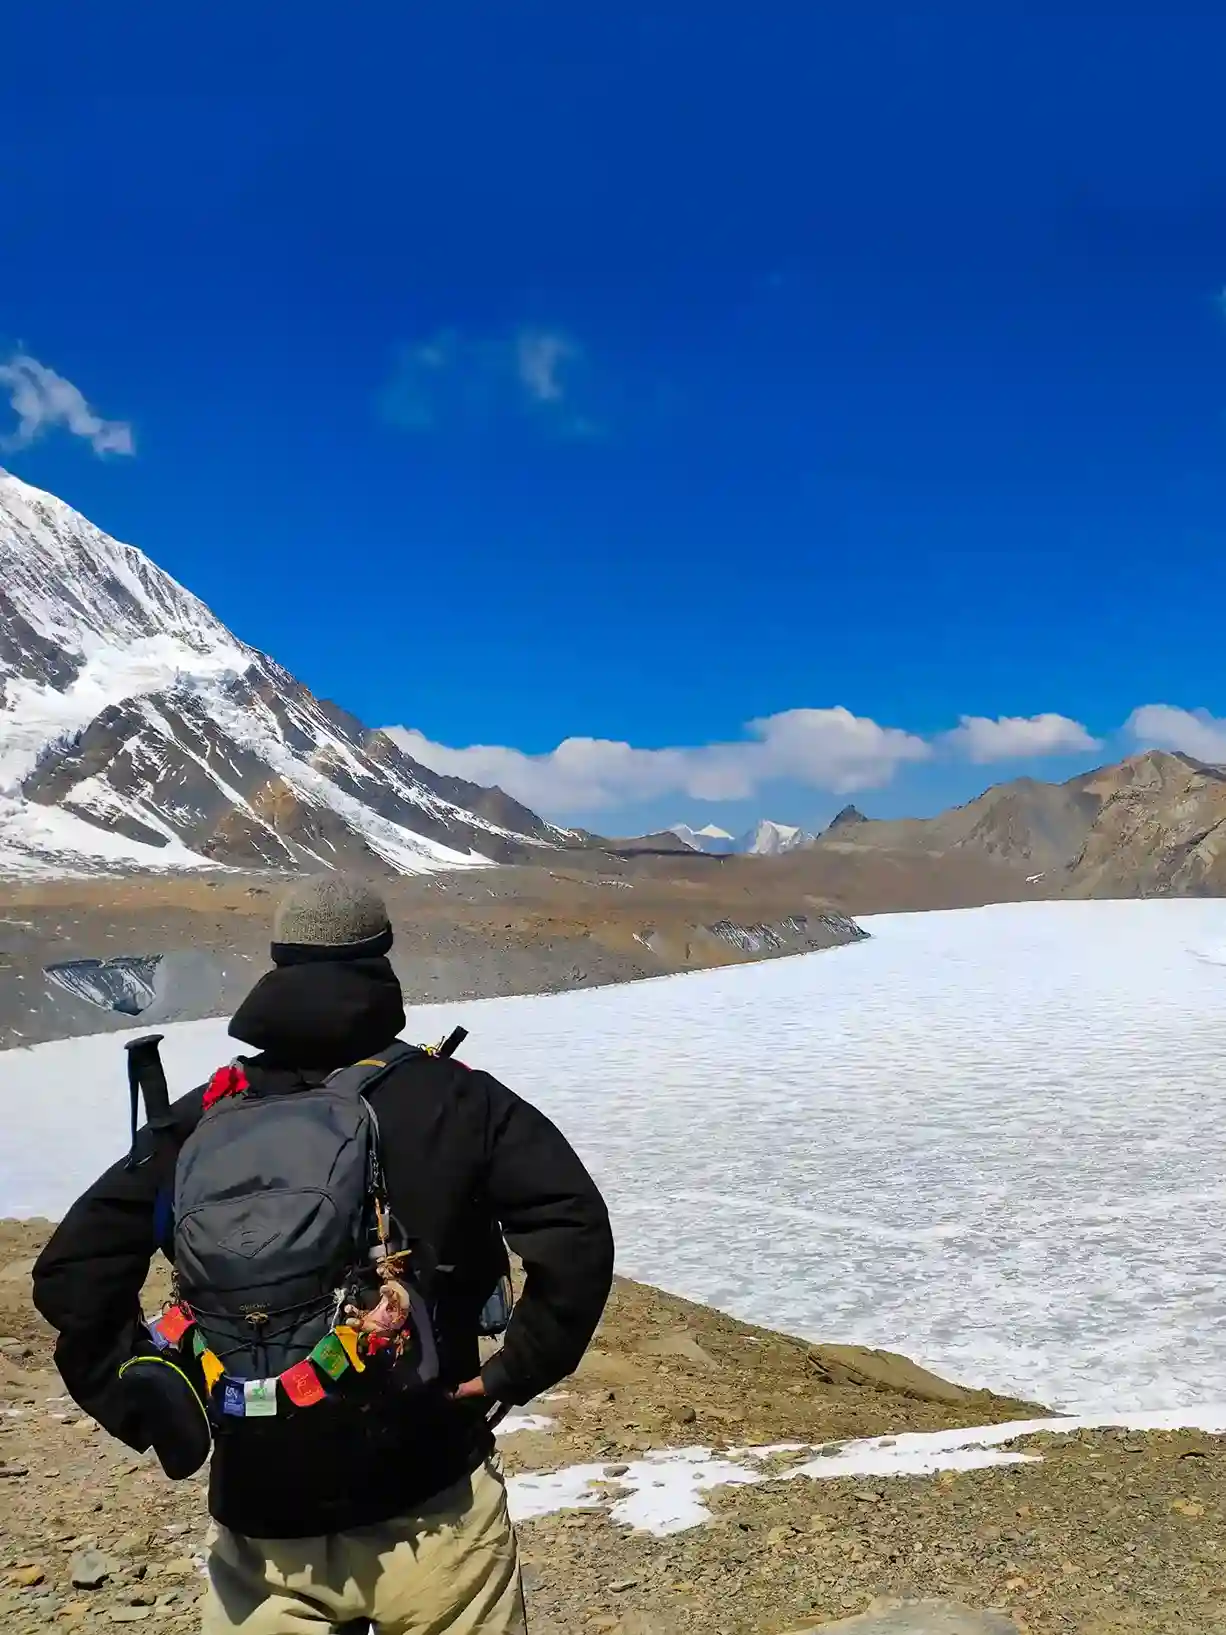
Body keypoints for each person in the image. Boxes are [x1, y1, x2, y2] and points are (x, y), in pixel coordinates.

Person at [32, 876, 615, 1634]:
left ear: (278, 962)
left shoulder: (207, 1113)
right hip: (433, 1504)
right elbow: (575, 1229)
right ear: (380, 960)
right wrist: (515, 1370)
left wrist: (146, 1401)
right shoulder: (455, 1097)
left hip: (262, 1530)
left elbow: (71, 1272)